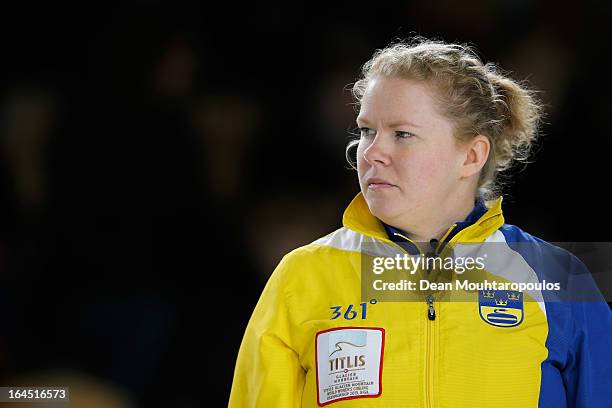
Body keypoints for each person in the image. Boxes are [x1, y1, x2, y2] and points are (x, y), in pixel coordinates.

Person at [228, 37, 612, 407]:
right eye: (366, 131)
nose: (372, 152)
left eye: (402, 134)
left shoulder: (559, 277)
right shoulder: (302, 275)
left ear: (472, 155)